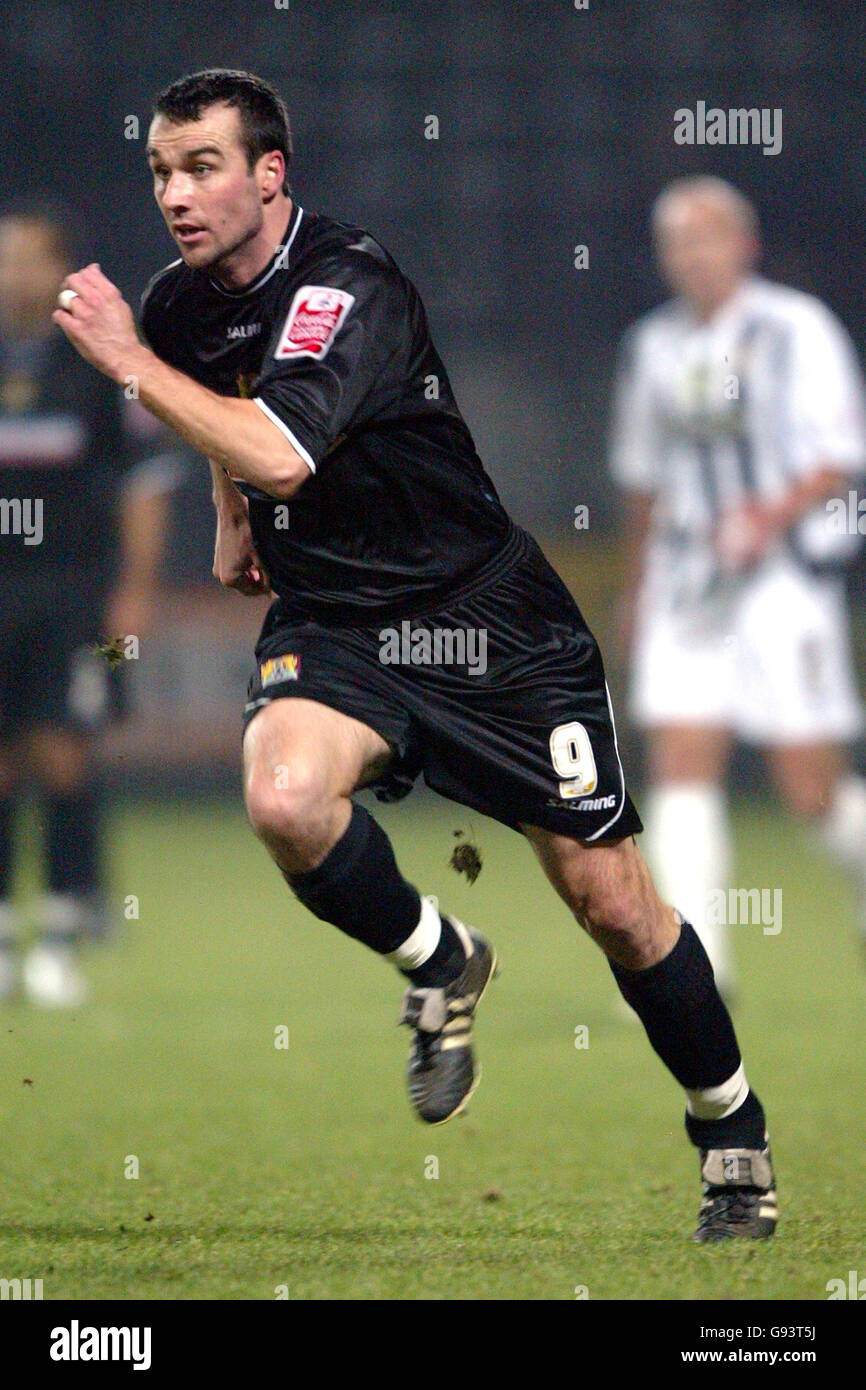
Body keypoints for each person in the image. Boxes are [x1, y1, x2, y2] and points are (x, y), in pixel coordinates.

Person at [54, 69, 778, 1241]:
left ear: (269, 174)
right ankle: (441, 959)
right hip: (337, 621)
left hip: (491, 623)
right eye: (158, 172)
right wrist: (230, 517)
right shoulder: (182, 301)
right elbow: (228, 415)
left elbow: (282, 448)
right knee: (284, 799)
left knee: (612, 901)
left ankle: (729, 1132)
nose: (174, 196)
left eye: (201, 168)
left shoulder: (352, 283)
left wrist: (128, 365)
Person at [611, 175, 866, 997]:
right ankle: (699, 965)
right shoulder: (653, 347)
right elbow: (642, 480)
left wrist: (769, 513)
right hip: (689, 583)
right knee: (681, 757)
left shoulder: (797, 329)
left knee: (809, 784)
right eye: (678, 242)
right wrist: (637, 586)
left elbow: (840, 456)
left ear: (744, 245)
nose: (693, 255)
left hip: (783, 580)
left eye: (707, 236)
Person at [0, 207, 179, 1007]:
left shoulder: (102, 362)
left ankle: (67, 930)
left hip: (77, 598)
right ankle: (6, 932)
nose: (14, 273)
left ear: (62, 267)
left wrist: (133, 593)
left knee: (66, 748)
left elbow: (144, 482)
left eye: (30, 258)